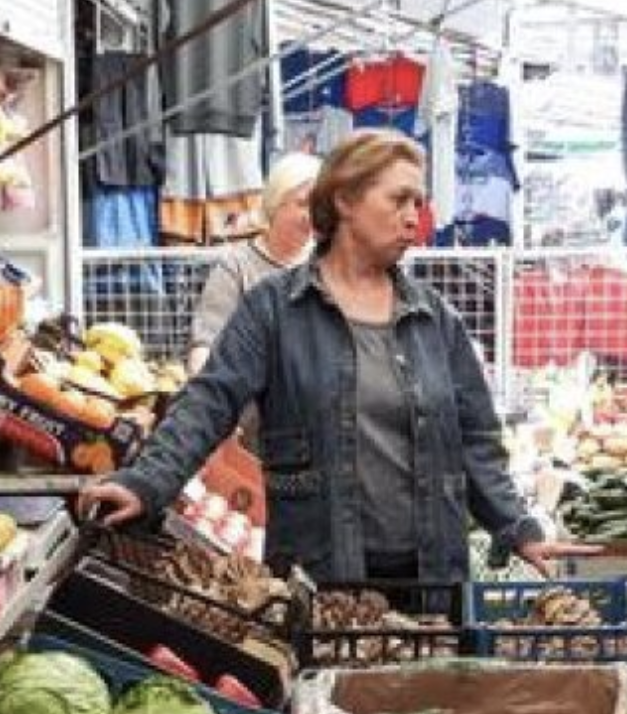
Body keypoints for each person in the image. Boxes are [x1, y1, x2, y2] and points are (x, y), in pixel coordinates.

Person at [81, 130, 591, 583]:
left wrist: (514, 524)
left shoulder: (434, 320)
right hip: (321, 578)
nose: (415, 218)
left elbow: (478, 439)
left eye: (419, 202)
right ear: (345, 200)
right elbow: (209, 401)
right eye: (400, 200)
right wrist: (146, 482)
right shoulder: (275, 310)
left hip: (432, 579)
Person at [186, 152, 323, 376]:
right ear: (275, 203)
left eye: (319, 205)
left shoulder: (328, 263)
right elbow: (206, 344)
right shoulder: (236, 267)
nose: (312, 215)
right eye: (302, 204)